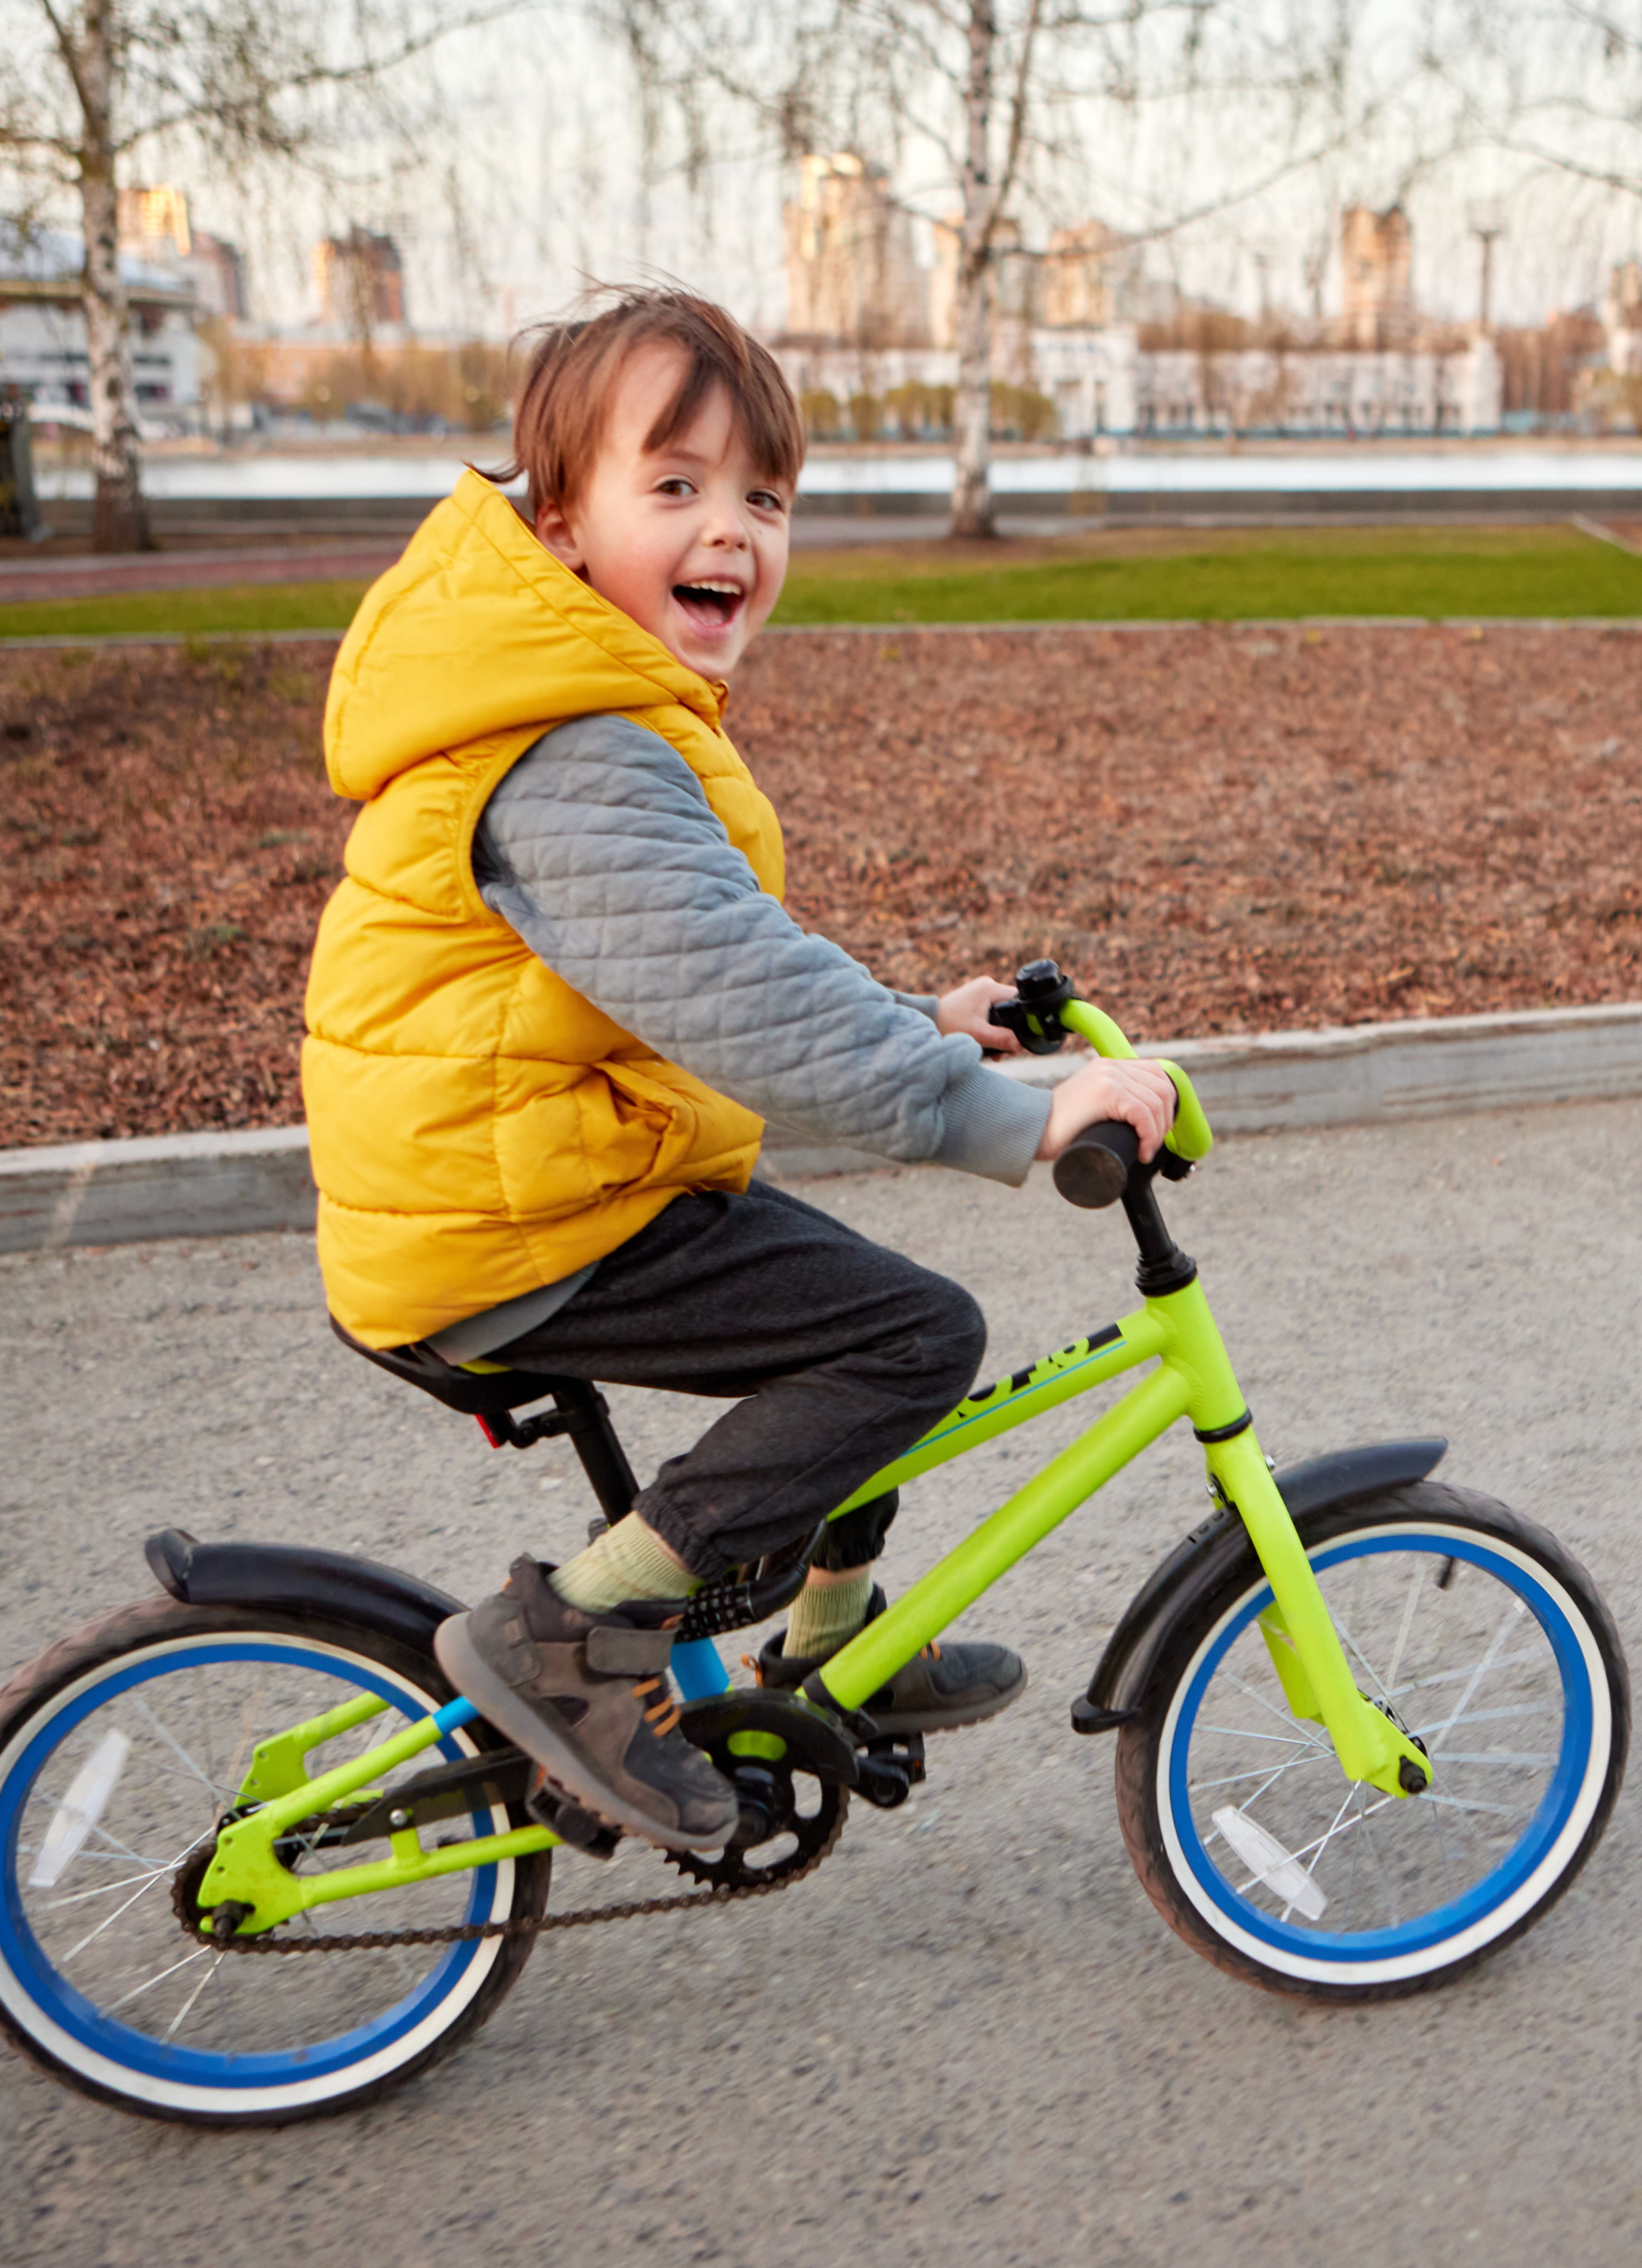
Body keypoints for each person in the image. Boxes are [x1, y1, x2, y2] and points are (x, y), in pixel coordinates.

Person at [301, 286, 1179, 1852]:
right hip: (507, 1220)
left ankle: (834, 1650)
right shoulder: (567, 749)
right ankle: (563, 1642)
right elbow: (744, 995)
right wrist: (1013, 1116)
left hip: (540, 1178)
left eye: (763, 498)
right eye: (678, 486)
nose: (732, 529)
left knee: (850, 1312)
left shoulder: (585, 703)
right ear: (563, 522)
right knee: (910, 1336)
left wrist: (918, 1022)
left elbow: (706, 967)